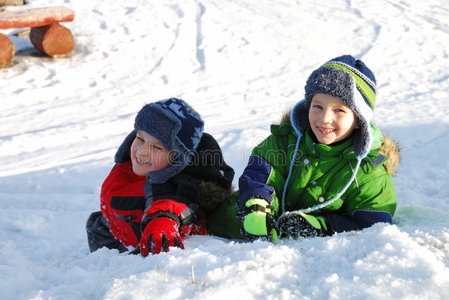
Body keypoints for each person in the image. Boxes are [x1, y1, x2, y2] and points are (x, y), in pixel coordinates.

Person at [208, 55, 399, 241]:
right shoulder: (284, 141)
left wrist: (322, 225)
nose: (324, 119)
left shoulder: (369, 170)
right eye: (317, 107)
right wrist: (256, 207)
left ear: (359, 120)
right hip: (244, 226)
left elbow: (373, 222)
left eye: (339, 110)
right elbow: (259, 176)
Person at [86, 98, 234, 255]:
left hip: (150, 233)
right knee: (96, 226)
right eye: (140, 138)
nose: (142, 151)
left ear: (176, 158)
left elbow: (176, 205)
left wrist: (163, 221)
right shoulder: (130, 165)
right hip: (114, 224)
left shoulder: (179, 183)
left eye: (156, 147)